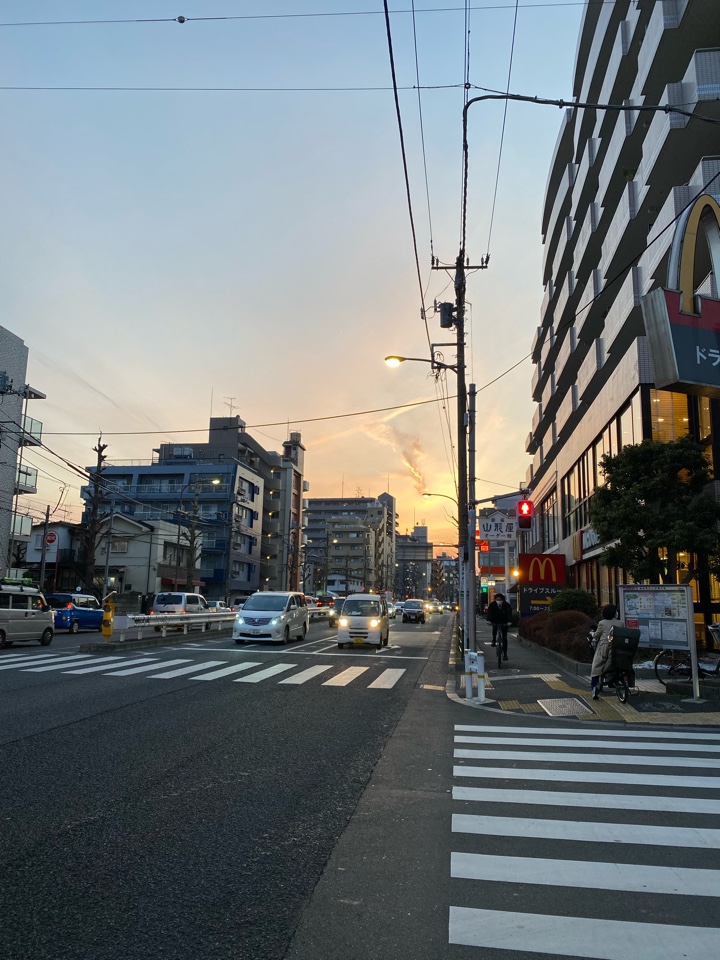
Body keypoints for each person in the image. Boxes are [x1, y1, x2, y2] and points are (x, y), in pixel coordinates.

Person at [590, 603, 622, 699]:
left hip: (604, 648)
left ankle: (594, 688)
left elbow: (596, 635)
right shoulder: (620, 623)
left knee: (596, 667)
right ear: (615, 613)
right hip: (617, 648)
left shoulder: (602, 623)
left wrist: (591, 633)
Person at [487, 592, 513, 660]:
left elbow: (509, 614)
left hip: (504, 622)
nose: (499, 601)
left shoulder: (506, 605)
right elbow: (489, 613)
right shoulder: (492, 605)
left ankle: (505, 654)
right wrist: (489, 620)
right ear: (495, 599)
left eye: (500, 599)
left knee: (504, 638)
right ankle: (494, 640)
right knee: (494, 629)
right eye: (497, 599)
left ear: (503, 600)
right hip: (495, 621)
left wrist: (509, 621)